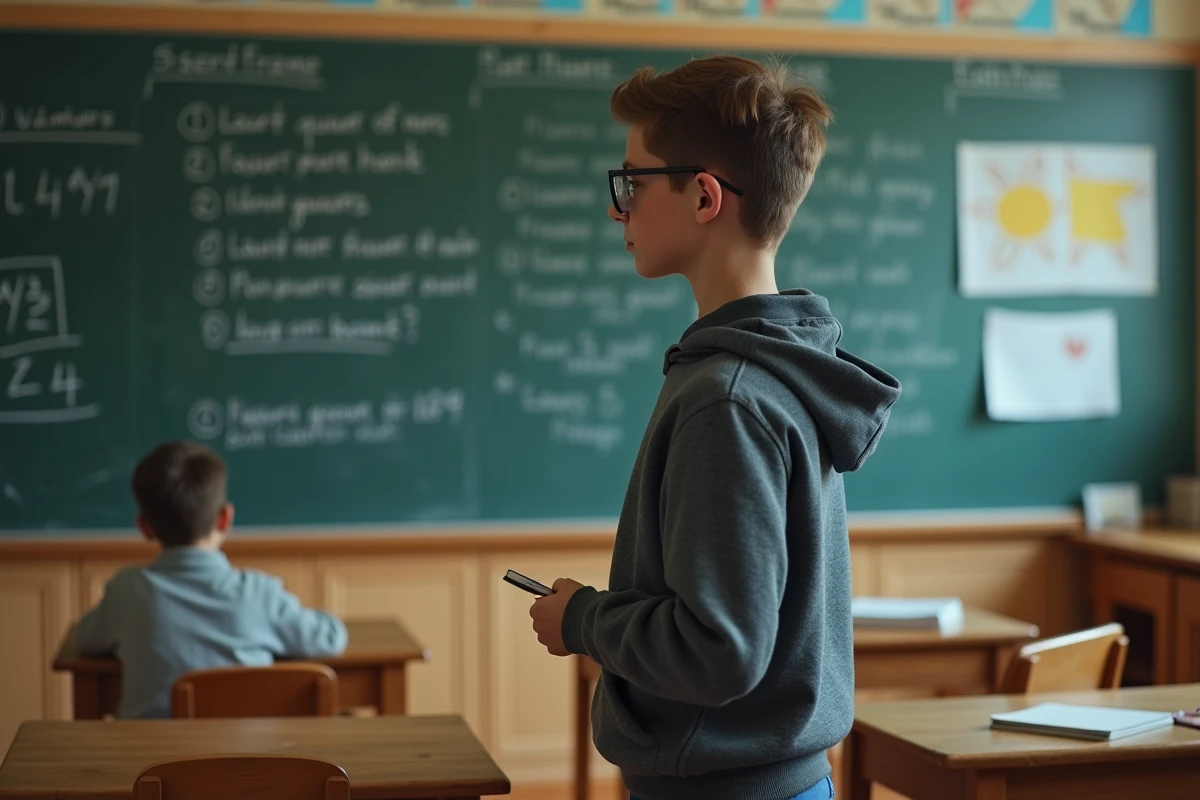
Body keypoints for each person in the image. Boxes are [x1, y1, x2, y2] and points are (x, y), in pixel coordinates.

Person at [528, 55, 901, 800]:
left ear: (703, 196)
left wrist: (584, 620)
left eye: (632, 182)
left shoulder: (726, 398)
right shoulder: (772, 372)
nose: (618, 207)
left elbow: (719, 650)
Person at [75, 440, 348, 718]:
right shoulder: (259, 593)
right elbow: (329, 638)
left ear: (144, 527)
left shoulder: (128, 590)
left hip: (153, 760)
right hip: (246, 758)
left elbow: (85, 639)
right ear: (224, 519)